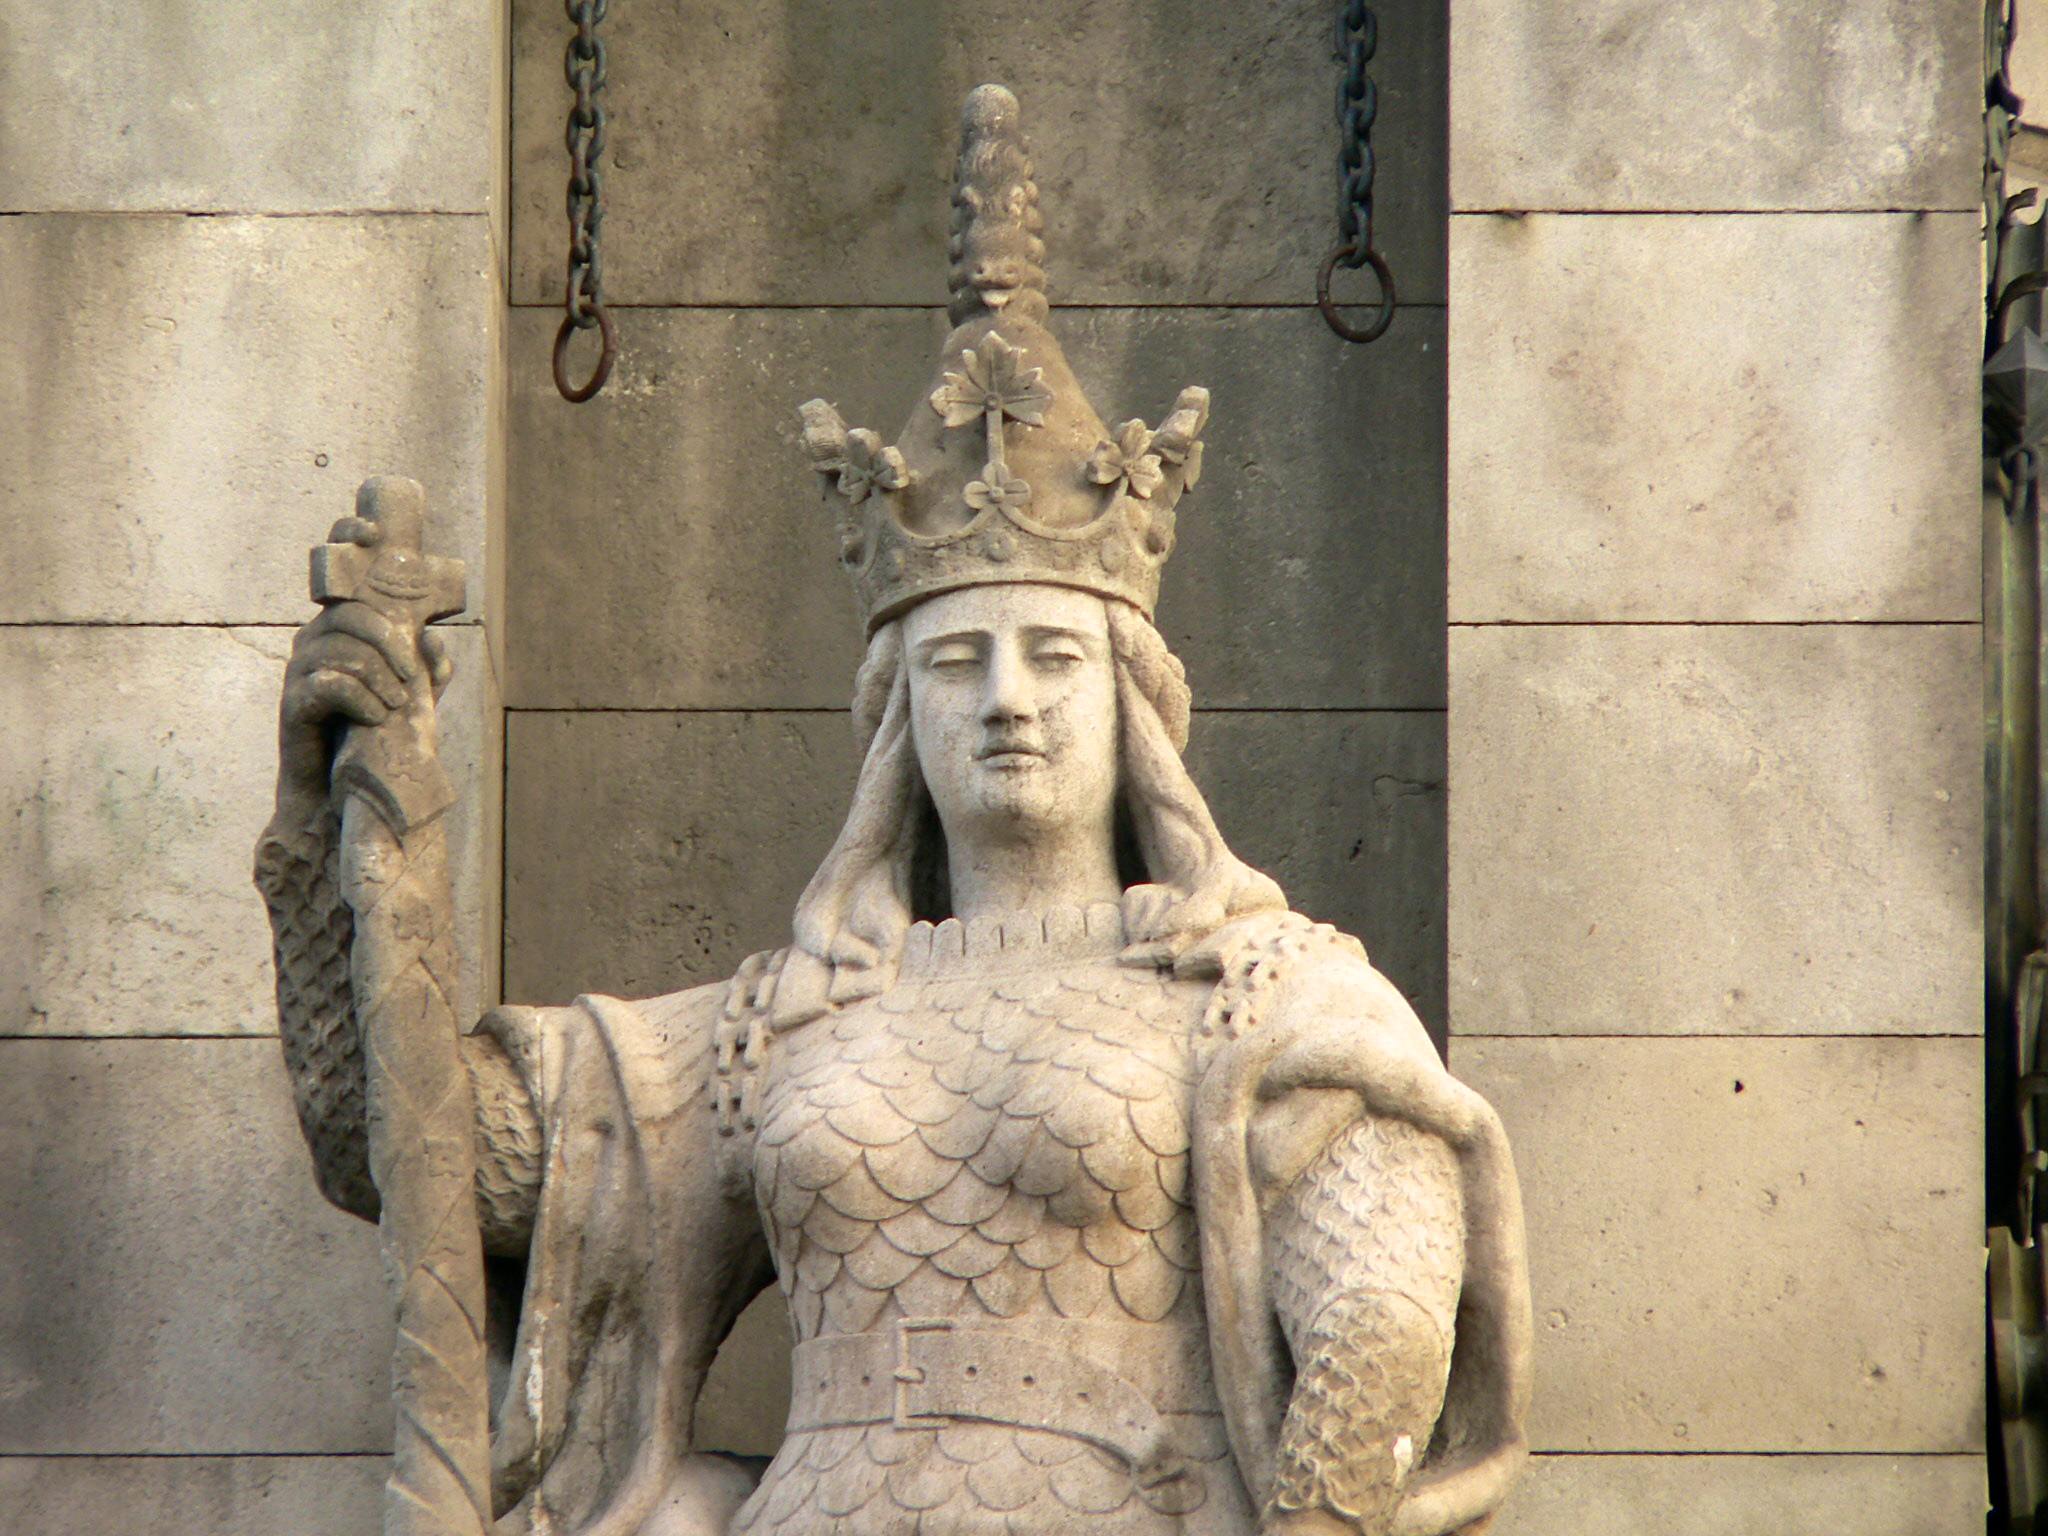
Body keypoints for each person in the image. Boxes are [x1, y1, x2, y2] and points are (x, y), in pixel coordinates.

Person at [256, 84, 1529, 1536]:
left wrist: (1312, 1524)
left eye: (1054, 657)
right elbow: (401, 1146)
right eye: (956, 662)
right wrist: (330, 841)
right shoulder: (773, 1023)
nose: (1007, 699)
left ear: (1134, 698)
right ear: (896, 718)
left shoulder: (1264, 994)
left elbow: (1383, 1320)